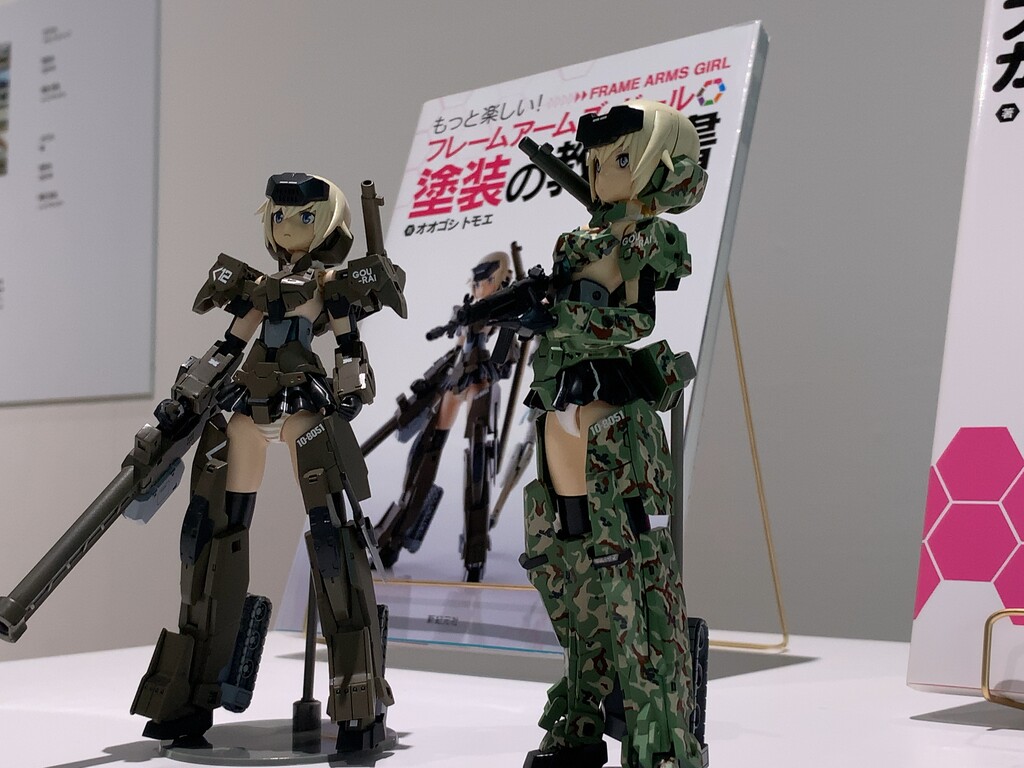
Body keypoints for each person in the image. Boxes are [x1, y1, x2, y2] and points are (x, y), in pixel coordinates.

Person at [131, 172, 406, 752]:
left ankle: (358, 696)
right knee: (209, 536)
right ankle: (191, 692)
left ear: (328, 224)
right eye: (279, 215)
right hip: (245, 407)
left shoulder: (329, 286)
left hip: (303, 404)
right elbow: (228, 346)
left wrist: (352, 386)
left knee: (334, 541)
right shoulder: (257, 286)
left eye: (304, 216)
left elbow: (348, 345)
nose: (288, 226)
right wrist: (186, 396)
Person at [519, 101, 708, 768]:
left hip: (612, 419)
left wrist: (560, 315)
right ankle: (580, 717)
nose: (602, 172)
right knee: (568, 572)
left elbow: (629, 316)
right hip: (559, 413)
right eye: (595, 161)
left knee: (632, 578)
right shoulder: (579, 240)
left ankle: (660, 737)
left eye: (621, 158)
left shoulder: (650, 239)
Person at [375, 251, 515, 581]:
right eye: (477, 282)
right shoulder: (469, 308)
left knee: (478, 459)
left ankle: (475, 551)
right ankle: (395, 537)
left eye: (486, 281)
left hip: (482, 379)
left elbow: (505, 355)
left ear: (498, 281)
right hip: (459, 375)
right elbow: (460, 345)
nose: (479, 287)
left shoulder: (507, 308)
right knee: (427, 447)